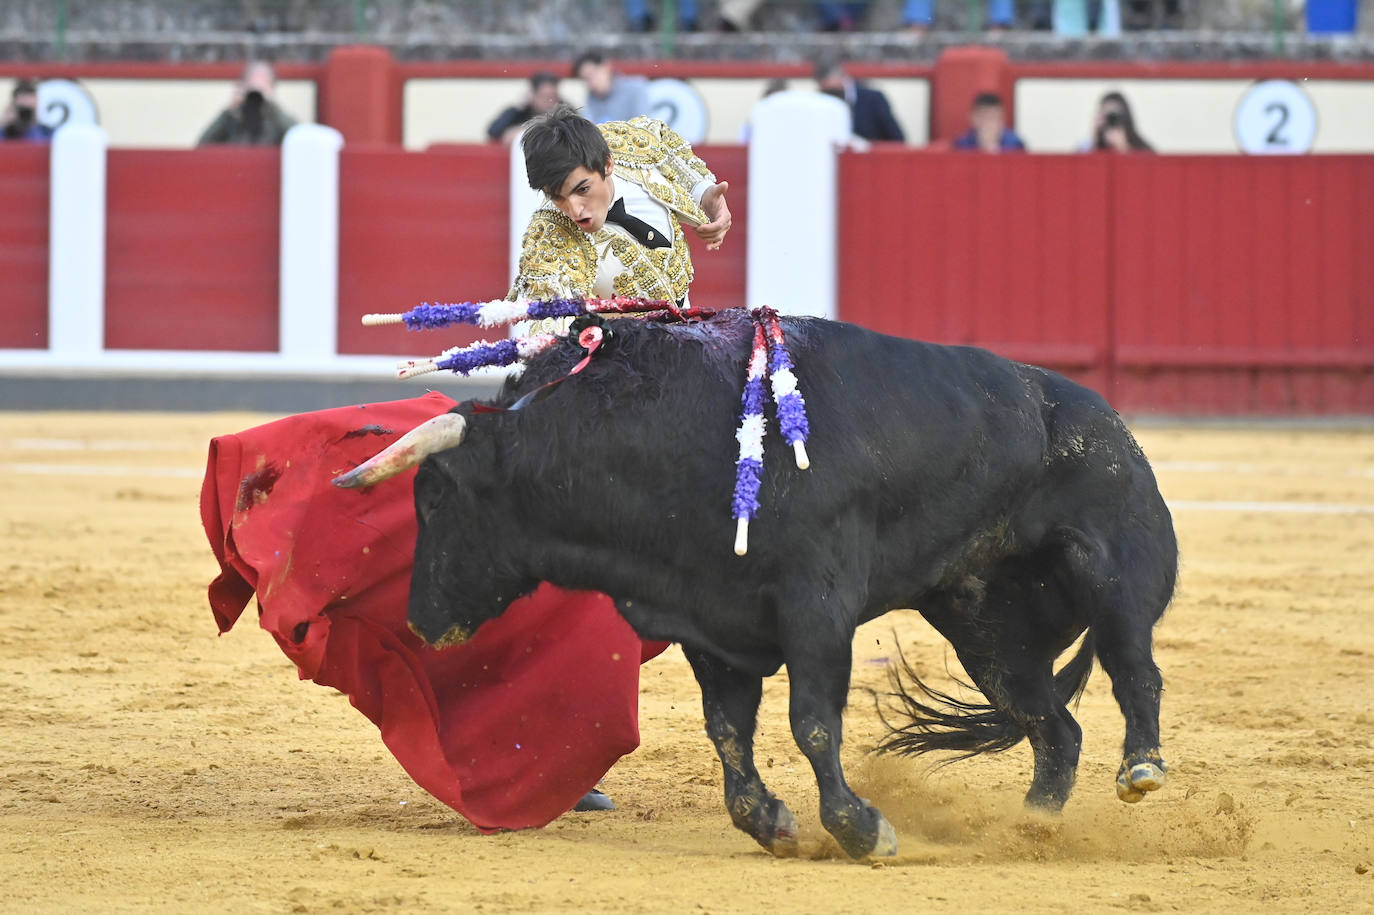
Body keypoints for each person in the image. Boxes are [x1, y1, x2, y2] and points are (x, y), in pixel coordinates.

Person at [509, 104, 732, 307]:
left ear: (608, 165)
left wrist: (702, 191)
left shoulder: (624, 145)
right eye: (557, 197)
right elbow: (550, 319)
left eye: (583, 190)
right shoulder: (549, 237)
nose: (574, 210)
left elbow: (659, 137)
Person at [196, 60, 296, 147]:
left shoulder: (275, 119)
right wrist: (231, 111)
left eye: (264, 83)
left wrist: (271, 105)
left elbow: (297, 138)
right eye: (252, 84)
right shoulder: (233, 118)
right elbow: (203, 145)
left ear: (272, 88)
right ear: (243, 86)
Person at [814, 57, 905, 143]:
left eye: (833, 91)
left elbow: (897, 138)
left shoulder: (873, 99)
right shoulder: (820, 103)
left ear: (843, 78)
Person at [572, 51, 652, 125]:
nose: (592, 82)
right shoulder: (590, 98)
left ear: (606, 66)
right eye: (586, 79)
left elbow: (644, 126)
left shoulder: (635, 89)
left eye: (593, 74)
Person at [486, 71, 563, 144]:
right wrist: (517, 107)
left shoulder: (564, 110)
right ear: (532, 95)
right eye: (543, 96)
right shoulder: (520, 111)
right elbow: (493, 132)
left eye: (553, 96)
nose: (550, 101)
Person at [1079, 91, 1153, 153]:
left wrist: (1124, 148)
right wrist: (1095, 138)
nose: (1110, 121)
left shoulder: (1142, 150)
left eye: (1114, 117)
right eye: (1106, 117)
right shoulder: (1086, 147)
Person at [952, 92, 1027, 152]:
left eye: (994, 117)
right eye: (985, 117)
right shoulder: (962, 144)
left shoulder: (1015, 143)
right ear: (973, 118)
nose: (990, 123)